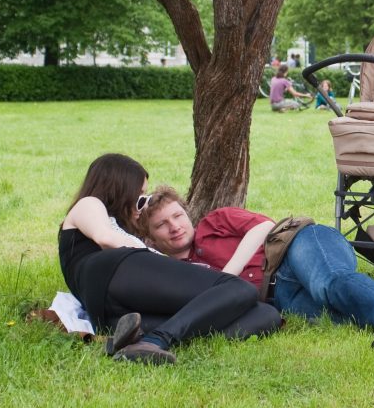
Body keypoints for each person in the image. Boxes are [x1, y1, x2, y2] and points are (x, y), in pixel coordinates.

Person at [139, 186, 374, 355]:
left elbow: (263, 227)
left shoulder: (214, 222)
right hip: (278, 295)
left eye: (177, 216)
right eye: (161, 225)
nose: (174, 226)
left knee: (333, 285)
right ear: (151, 238)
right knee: (346, 316)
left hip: (298, 246)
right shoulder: (174, 271)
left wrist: (230, 273)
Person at [59, 154, 281, 365]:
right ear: (120, 189)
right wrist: (152, 256)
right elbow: (105, 238)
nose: (142, 205)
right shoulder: (89, 203)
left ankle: (138, 339)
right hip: (115, 271)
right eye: (139, 197)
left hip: (113, 310)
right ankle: (157, 340)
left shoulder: (116, 225)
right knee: (238, 288)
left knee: (265, 315)